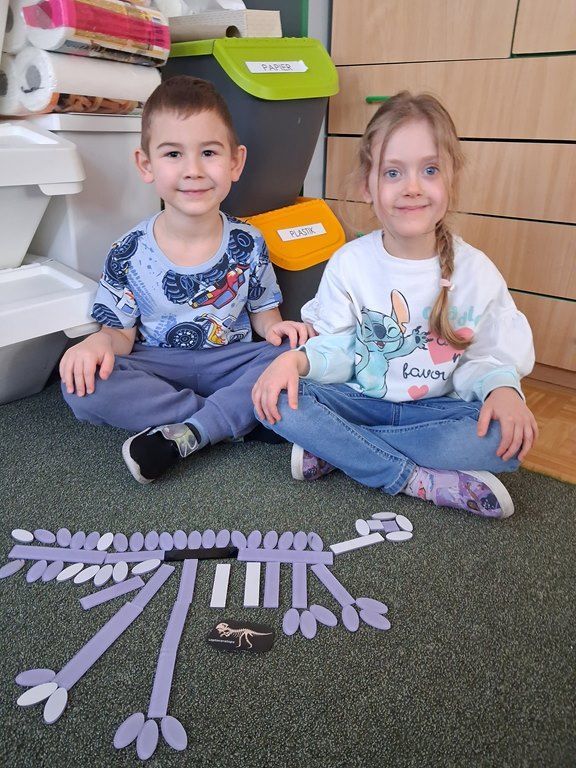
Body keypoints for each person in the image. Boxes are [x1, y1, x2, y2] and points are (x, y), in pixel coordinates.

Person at [252, 91, 538, 519]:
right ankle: (418, 480)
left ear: (451, 180)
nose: (412, 187)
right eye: (392, 172)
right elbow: (340, 349)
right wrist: (296, 361)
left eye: (430, 170)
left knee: (504, 437)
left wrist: (502, 389)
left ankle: (342, 450)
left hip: (436, 413)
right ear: (367, 186)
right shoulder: (350, 262)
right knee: (275, 399)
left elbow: (486, 358)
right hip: (359, 403)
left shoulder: (475, 271)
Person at [60, 75, 313, 484]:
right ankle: (228, 420)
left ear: (235, 162)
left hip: (230, 360)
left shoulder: (249, 242)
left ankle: (193, 431)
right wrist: (96, 344)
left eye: (209, 153)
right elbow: (118, 336)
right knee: (80, 384)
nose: (193, 170)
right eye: (173, 154)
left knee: (298, 353)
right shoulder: (127, 250)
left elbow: (265, 316)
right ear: (146, 165)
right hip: (158, 366)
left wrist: (278, 329)